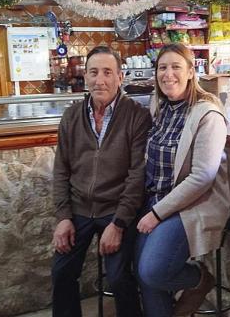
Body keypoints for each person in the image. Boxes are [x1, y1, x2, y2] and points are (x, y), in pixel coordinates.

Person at [51, 46, 152, 317]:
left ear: (121, 77)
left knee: (119, 277)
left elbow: (137, 174)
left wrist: (119, 224)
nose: (100, 80)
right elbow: (61, 169)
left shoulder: (137, 116)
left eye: (108, 72)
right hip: (78, 209)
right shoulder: (71, 116)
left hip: (116, 210)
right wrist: (63, 217)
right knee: (61, 273)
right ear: (85, 76)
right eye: (94, 72)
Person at [135, 43, 230, 317]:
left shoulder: (208, 114)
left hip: (192, 205)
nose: (168, 74)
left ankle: (200, 280)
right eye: (162, 68)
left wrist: (156, 213)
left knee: (152, 270)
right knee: (142, 274)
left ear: (191, 72)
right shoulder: (161, 107)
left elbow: (202, 176)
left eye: (176, 67)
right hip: (156, 200)